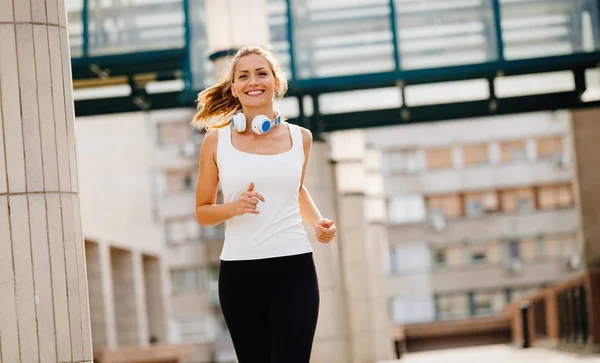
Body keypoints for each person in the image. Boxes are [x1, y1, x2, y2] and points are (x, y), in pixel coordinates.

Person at [192, 45, 337, 363]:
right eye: (243, 75)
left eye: (261, 73)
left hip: (294, 268)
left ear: (276, 82)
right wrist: (233, 207)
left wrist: (318, 223)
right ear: (233, 87)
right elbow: (202, 212)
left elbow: (295, 189)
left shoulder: (302, 138)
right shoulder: (216, 141)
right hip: (240, 273)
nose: (252, 81)